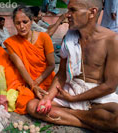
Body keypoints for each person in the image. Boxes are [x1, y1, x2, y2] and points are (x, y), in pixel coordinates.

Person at [27, 0, 118, 132]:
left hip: (97, 96)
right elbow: (61, 74)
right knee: (33, 106)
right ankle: (92, 123)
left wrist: (74, 99)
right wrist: (47, 98)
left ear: (92, 12)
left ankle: (75, 115)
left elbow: (109, 86)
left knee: (116, 118)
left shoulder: (112, 40)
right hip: (72, 90)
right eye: (68, 10)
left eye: (73, 10)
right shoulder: (69, 38)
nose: (67, 15)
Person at [0, 5, 56, 114]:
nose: (22, 26)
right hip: (27, 80)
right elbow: (20, 66)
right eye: (17, 23)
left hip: (44, 77)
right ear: (14, 24)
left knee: (50, 96)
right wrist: (33, 85)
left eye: (25, 22)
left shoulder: (44, 37)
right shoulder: (11, 42)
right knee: (23, 102)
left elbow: (52, 65)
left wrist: (36, 83)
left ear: (32, 20)